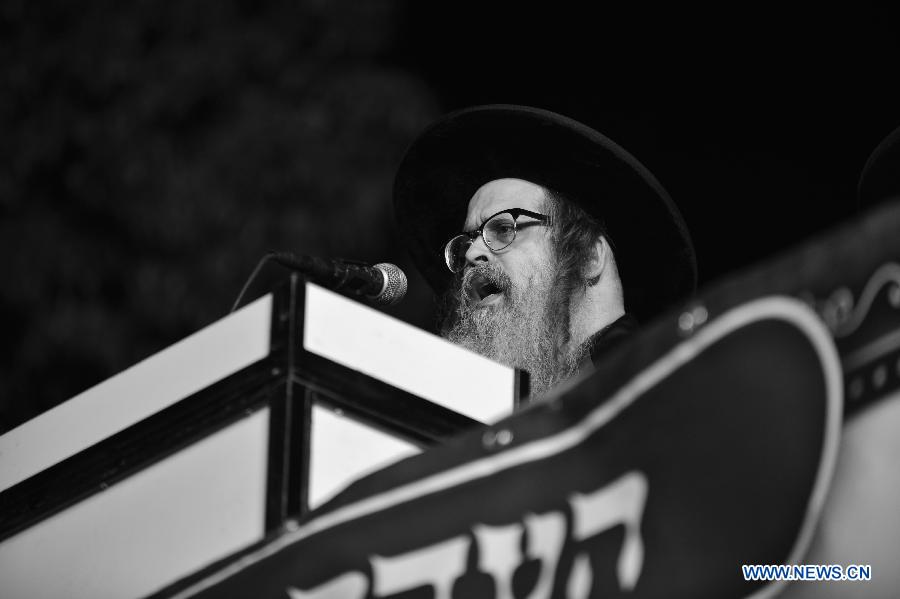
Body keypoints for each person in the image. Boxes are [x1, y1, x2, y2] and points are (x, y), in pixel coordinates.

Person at [393, 105, 697, 398]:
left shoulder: (666, 390)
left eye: (502, 229)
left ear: (590, 256)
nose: (471, 254)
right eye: (465, 243)